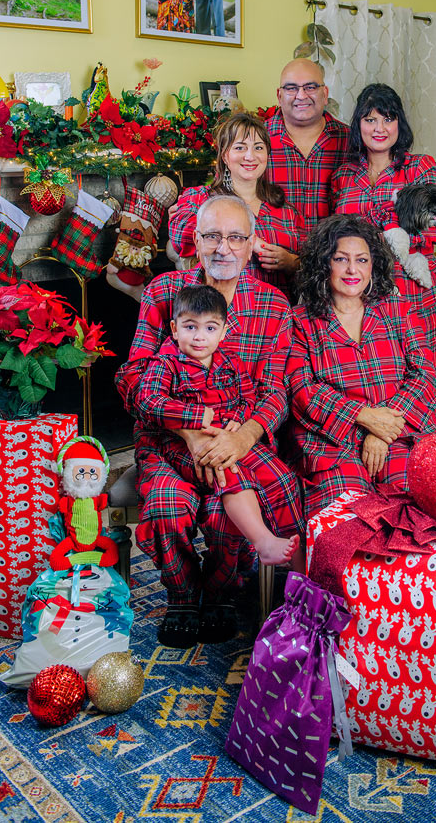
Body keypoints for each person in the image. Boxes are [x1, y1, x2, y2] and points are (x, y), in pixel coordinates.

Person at [115, 194, 300, 644]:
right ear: (195, 241)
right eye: (213, 236)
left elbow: (276, 390)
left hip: (239, 442)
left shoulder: (274, 306)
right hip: (168, 441)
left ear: (252, 242)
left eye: (236, 237)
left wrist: (243, 438)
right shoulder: (164, 293)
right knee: (166, 506)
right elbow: (133, 380)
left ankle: (220, 593)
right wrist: (190, 433)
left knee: (226, 512)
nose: (224, 247)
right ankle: (181, 596)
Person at [287, 214, 436, 518]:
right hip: (333, 446)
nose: (352, 269)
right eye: (341, 259)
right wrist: (364, 417)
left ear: (373, 265)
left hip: (400, 437)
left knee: (414, 512)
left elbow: (424, 374)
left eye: (362, 259)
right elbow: (304, 390)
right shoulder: (300, 321)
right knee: (346, 522)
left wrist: (382, 432)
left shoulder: (398, 310)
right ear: (324, 264)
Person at [330, 82, 436, 374]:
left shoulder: (419, 168)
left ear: (399, 123)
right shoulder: (343, 175)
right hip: (360, 294)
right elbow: (334, 235)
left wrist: (384, 238)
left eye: (388, 118)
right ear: (358, 125)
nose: (379, 128)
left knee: (421, 375)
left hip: (412, 289)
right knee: (372, 378)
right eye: (370, 119)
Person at [169, 112, 305, 299]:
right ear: (225, 156)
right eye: (240, 148)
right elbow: (181, 236)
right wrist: (251, 241)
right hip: (215, 311)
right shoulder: (200, 198)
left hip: (272, 314)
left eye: (258, 147)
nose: (250, 156)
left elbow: (310, 264)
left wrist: (291, 262)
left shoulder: (286, 211)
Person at [265, 59, 349, 231]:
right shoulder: (256, 140)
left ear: (325, 94)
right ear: (279, 96)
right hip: (271, 254)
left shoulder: (350, 140)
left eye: (310, 87)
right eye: (291, 88)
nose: (301, 96)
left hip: (333, 253)